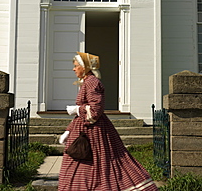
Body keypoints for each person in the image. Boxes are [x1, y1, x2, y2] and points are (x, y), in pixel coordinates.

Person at [58, 51, 158, 191]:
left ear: (85, 66)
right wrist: (69, 131)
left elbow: (95, 111)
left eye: (76, 66)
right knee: (79, 162)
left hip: (94, 131)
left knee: (98, 163)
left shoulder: (92, 82)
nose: (74, 69)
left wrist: (76, 109)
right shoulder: (86, 82)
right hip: (83, 130)